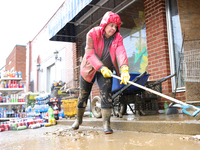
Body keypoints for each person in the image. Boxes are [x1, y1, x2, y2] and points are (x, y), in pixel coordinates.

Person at [72, 11, 130, 134]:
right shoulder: (92, 33)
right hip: (89, 68)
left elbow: (121, 52)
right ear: (105, 24)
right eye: (111, 25)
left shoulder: (118, 38)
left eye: (116, 26)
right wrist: (100, 67)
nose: (114, 29)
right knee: (83, 95)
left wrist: (124, 68)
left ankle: (106, 124)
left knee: (106, 95)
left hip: (107, 69)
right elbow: (90, 54)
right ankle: (78, 120)